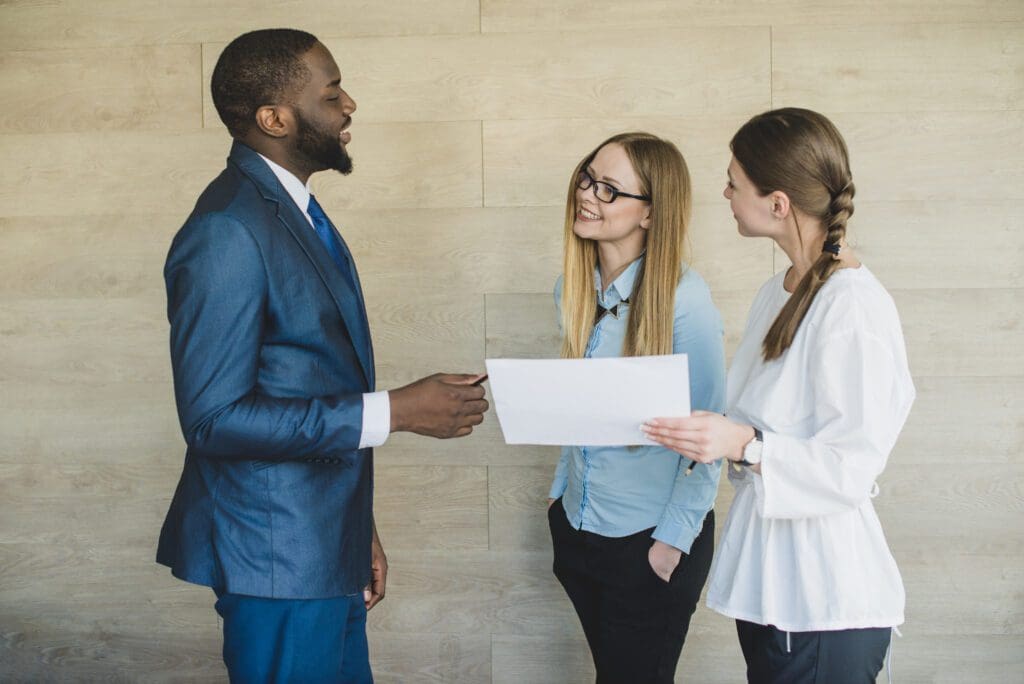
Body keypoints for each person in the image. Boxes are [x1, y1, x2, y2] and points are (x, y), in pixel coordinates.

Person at [155, 28, 488, 683]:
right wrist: (393, 411)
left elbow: (299, 378)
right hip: (274, 561)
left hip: (320, 547)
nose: (350, 105)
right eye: (332, 93)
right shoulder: (228, 229)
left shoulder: (292, 211)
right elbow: (214, 419)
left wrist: (354, 529)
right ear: (274, 118)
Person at [643, 108, 915, 684]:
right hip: (775, 587)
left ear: (778, 203)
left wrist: (744, 444)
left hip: (823, 595)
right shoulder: (779, 291)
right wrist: (713, 435)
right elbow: (761, 425)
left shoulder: (853, 307)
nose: (724, 192)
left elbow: (851, 465)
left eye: (734, 182)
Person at [546, 132, 727, 683]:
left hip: (648, 542)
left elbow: (710, 435)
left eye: (610, 189)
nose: (588, 195)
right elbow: (580, 407)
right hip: (578, 531)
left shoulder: (683, 298)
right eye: (587, 177)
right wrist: (559, 499)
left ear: (651, 213)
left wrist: (671, 542)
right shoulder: (571, 288)